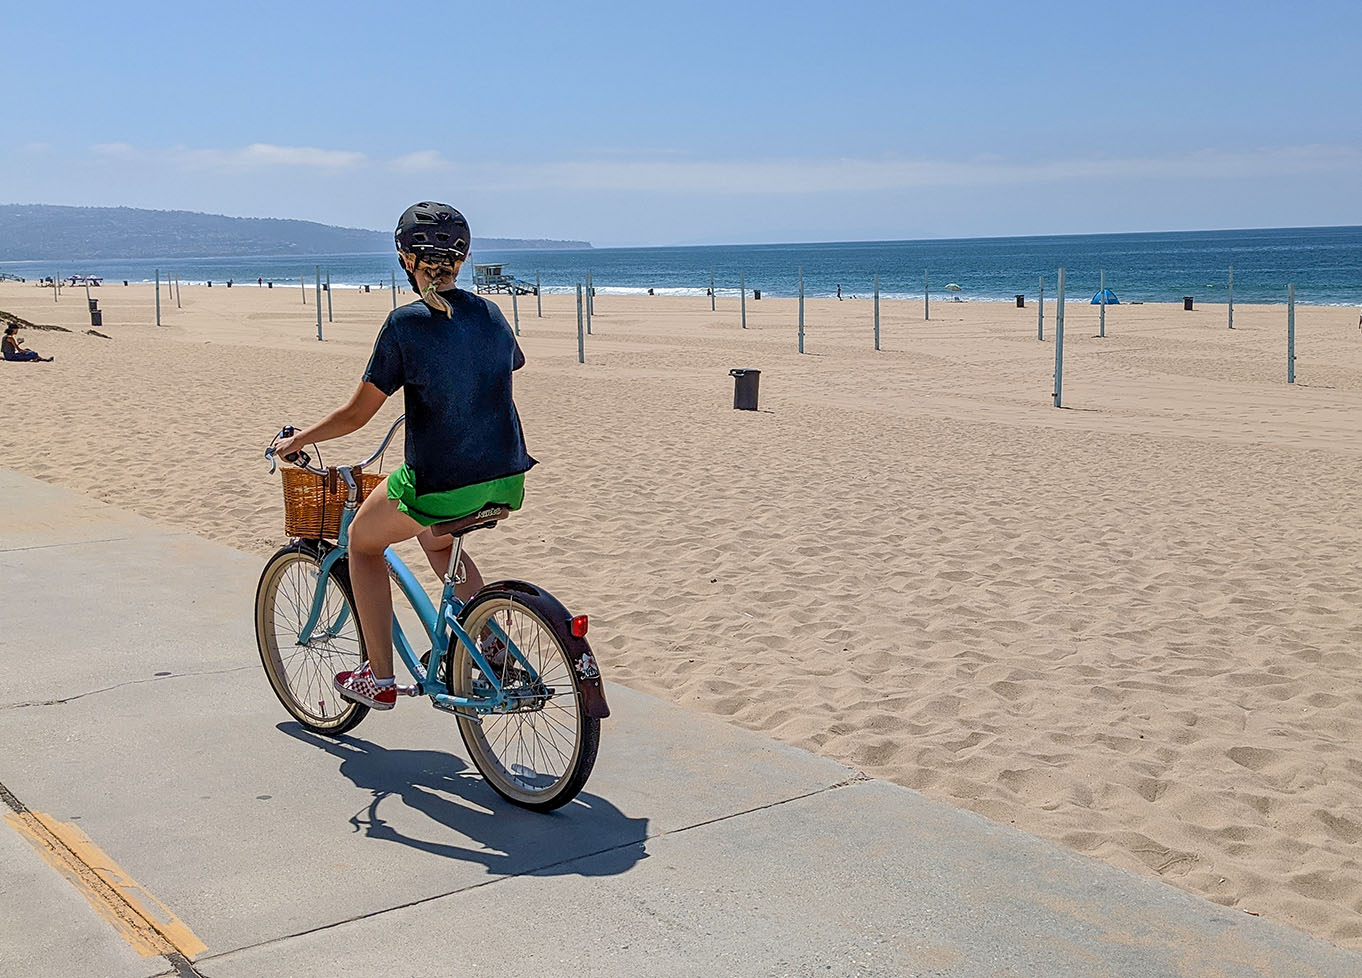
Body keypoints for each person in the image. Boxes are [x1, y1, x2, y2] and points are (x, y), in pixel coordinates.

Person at [271, 202, 535, 711]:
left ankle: (380, 677)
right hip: (506, 475)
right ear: (462, 260)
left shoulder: (405, 324)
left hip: (442, 481)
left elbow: (355, 416)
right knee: (437, 545)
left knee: (361, 543)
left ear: (404, 259)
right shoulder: (491, 312)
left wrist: (300, 440)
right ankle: (492, 641)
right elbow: (503, 366)